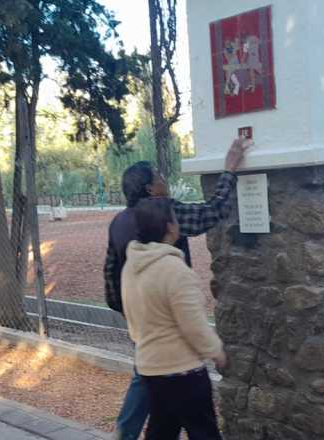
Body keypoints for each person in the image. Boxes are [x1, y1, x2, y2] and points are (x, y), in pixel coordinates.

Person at [104, 137, 250, 439]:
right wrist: (229, 170)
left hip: (145, 334)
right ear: (151, 190)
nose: (164, 179)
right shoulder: (168, 215)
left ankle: (124, 431)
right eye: (160, 176)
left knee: (156, 405)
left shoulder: (119, 224)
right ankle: (125, 430)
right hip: (180, 361)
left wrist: (137, 316)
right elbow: (212, 212)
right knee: (198, 425)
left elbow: (110, 278)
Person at [121, 198, 226, 439]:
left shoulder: (132, 266)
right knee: (204, 432)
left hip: (149, 368)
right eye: (176, 219)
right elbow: (194, 324)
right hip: (182, 371)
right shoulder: (175, 270)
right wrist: (216, 351)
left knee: (162, 431)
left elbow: (132, 315)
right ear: (170, 226)